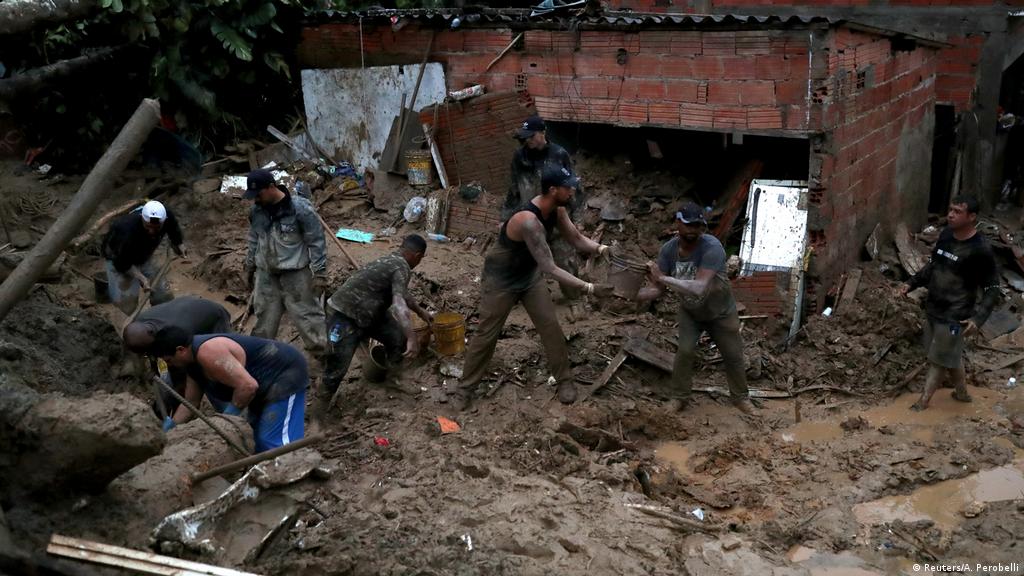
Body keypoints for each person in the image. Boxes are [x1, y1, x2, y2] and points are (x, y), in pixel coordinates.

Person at [457, 166, 614, 410]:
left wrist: (602, 249)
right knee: (487, 333)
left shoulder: (557, 209)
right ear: (553, 190)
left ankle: (565, 380)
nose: (572, 191)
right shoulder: (529, 221)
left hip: (528, 276)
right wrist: (590, 288)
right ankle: (465, 389)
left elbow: (575, 238)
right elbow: (550, 268)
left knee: (550, 326)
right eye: (568, 187)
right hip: (501, 279)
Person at [636, 201, 755, 415]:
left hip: (720, 311)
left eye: (697, 226)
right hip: (690, 312)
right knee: (684, 351)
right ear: (678, 223)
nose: (693, 230)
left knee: (733, 354)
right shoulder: (668, 251)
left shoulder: (712, 247)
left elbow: (699, 287)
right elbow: (657, 290)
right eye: (688, 225)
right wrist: (631, 296)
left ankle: (741, 398)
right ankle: (679, 397)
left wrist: (663, 278)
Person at [901, 196, 1000, 411]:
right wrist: (910, 283)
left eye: (957, 211)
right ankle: (962, 394)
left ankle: (922, 404)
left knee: (938, 360)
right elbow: (932, 266)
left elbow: (993, 287)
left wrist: (978, 319)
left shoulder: (980, 250)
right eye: (951, 209)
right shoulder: (946, 236)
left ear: (971, 217)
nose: (951, 215)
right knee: (947, 355)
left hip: (956, 316)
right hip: (933, 308)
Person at [153, 328, 308, 453]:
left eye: (169, 360)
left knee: (272, 441)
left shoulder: (208, 352)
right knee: (255, 438)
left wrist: (227, 417)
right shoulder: (192, 365)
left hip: (284, 376)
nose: (170, 365)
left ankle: (297, 473)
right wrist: (171, 427)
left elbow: (247, 386)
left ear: (180, 350)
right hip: (261, 388)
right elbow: (191, 402)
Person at [323, 235, 432, 399]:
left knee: (397, 337)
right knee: (337, 366)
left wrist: (421, 312)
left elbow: (403, 293)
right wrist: (412, 338)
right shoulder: (401, 266)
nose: (419, 262)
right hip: (345, 313)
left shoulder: (391, 260)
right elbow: (399, 305)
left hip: (369, 311)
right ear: (417, 256)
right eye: (421, 259)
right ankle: (321, 405)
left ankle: (393, 378)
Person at [243, 169, 328, 354]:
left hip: (296, 275)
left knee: (308, 318)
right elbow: (254, 239)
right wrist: (249, 266)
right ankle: (261, 357)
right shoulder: (256, 211)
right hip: (266, 275)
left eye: (258, 194)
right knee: (264, 319)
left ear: (271, 187)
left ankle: (321, 356)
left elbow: (316, 241)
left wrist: (320, 274)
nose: (255, 199)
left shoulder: (300, 209)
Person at [504, 115, 583, 300]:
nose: (528, 141)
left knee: (566, 261)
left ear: (543, 133)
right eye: (525, 137)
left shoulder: (559, 154)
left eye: (531, 136)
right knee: (524, 262)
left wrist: (577, 220)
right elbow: (513, 189)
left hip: (556, 217)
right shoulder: (519, 157)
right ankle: (530, 298)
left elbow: (573, 188)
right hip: (529, 219)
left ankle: (574, 298)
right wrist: (505, 217)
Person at [122, 296, 232, 416]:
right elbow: (156, 356)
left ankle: (229, 413)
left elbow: (187, 362)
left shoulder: (180, 331)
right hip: (186, 311)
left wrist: (182, 385)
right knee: (174, 378)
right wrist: (155, 369)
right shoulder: (138, 326)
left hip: (214, 318)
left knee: (212, 372)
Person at [102, 200, 187, 314]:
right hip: (118, 258)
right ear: (142, 218)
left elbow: (173, 228)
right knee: (127, 305)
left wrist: (179, 244)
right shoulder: (125, 229)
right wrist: (141, 278)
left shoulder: (167, 215)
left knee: (163, 295)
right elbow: (121, 262)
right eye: (148, 226)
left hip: (143, 256)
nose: (151, 231)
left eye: (157, 228)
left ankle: (163, 315)